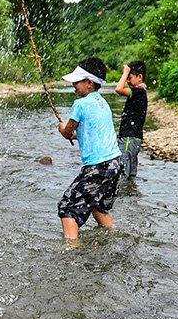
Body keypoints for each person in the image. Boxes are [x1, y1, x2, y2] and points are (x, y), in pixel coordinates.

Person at [56, 57, 123, 238]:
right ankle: (114, 236)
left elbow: (68, 131)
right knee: (97, 206)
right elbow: (92, 133)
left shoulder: (80, 104)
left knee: (67, 206)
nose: (74, 85)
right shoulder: (103, 103)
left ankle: (71, 249)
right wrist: (74, 134)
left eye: (77, 82)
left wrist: (62, 128)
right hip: (115, 163)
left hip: (98, 166)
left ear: (89, 83)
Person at [114, 60, 147, 181]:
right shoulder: (142, 91)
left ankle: (123, 197)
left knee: (122, 172)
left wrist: (125, 72)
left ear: (140, 77)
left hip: (128, 137)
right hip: (136, 138)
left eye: (129, 78)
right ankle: (131, 196)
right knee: (131, 174)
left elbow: (118, 89)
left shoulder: (137, 91)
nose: (127, 81)